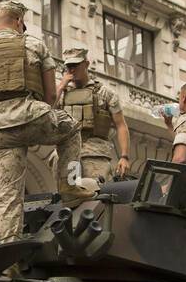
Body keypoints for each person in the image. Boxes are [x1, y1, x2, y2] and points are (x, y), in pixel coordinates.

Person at [0, 0, 89, 276]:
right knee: (72, 128)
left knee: (6, 196)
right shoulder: (34, 45)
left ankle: (9, 262)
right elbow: (51, 95)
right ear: (19, 22)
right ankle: (70, 184)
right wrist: (42, 117)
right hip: (31, 114)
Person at [55, 47, 132, 182]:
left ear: (86, 64)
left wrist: (124, 157)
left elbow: (121, 125)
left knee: (95, 195)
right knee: (70, 196)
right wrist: (61, 86)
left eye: (75, 65)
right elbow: (47, 109)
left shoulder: (105, 93)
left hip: (95, 154)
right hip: (68, 154)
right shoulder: (62, 94)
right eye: (69, 66)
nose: (72, 69)